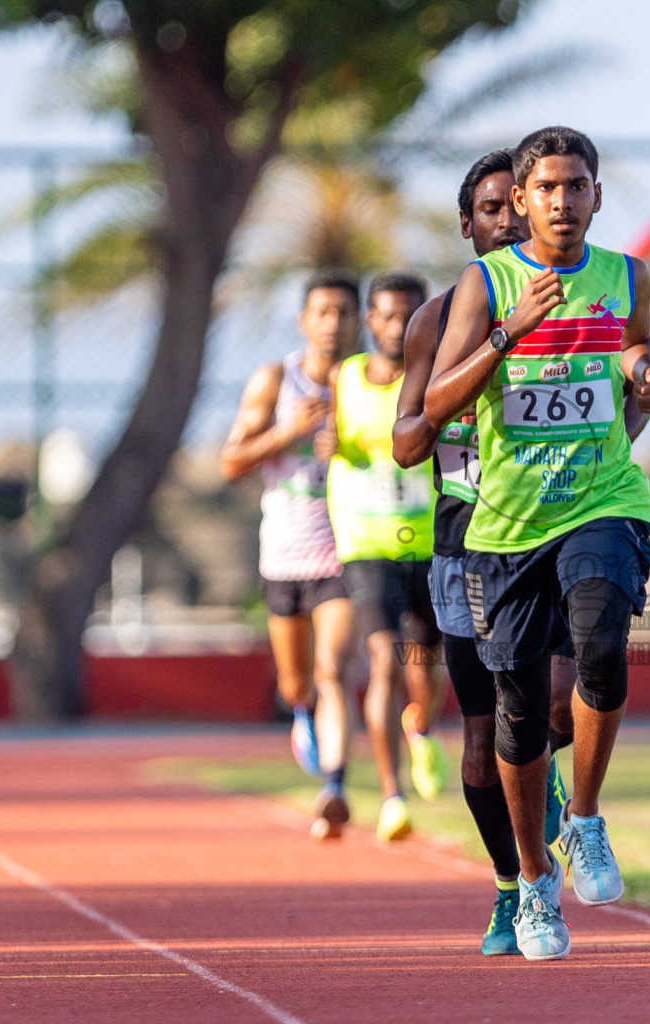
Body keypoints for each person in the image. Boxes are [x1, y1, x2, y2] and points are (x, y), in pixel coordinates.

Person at [424, 126, 650, 961]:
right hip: (505, 528)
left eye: (579, 186)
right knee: (520, 716)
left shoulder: (628, 275)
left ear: (597, 196)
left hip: (603, 501)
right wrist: (507, 333)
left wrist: (645, 373)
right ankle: (532, 881)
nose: (564, 201)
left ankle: (587, 818)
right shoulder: (485, 284)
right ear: (523, 201)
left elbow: (637, 345)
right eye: (549, 189)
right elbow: (431, 406)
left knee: (602, 646)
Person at [221, 269, 359, 841]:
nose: (333, 323)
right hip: (283, 553)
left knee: (334, 669)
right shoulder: (274, 382)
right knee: (297, 682)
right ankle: (300, 713)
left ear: (360, 322)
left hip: (345, 550)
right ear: (304, 320)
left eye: (344, 313)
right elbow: (231, 463)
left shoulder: (369, 382)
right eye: (322, 312)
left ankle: (335, 786)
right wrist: (289, 433)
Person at [319, 272, 447, 843]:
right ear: (370, 320)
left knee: (427, 672)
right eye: (388, 317)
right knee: (381, 664)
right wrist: (329, 442)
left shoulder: (439, 378)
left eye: (410, 316)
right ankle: (392, 796)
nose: (398, 328)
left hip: (428, 543)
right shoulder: (344, 378)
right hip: (366, 548)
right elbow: (332, 434)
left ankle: (419, 728)